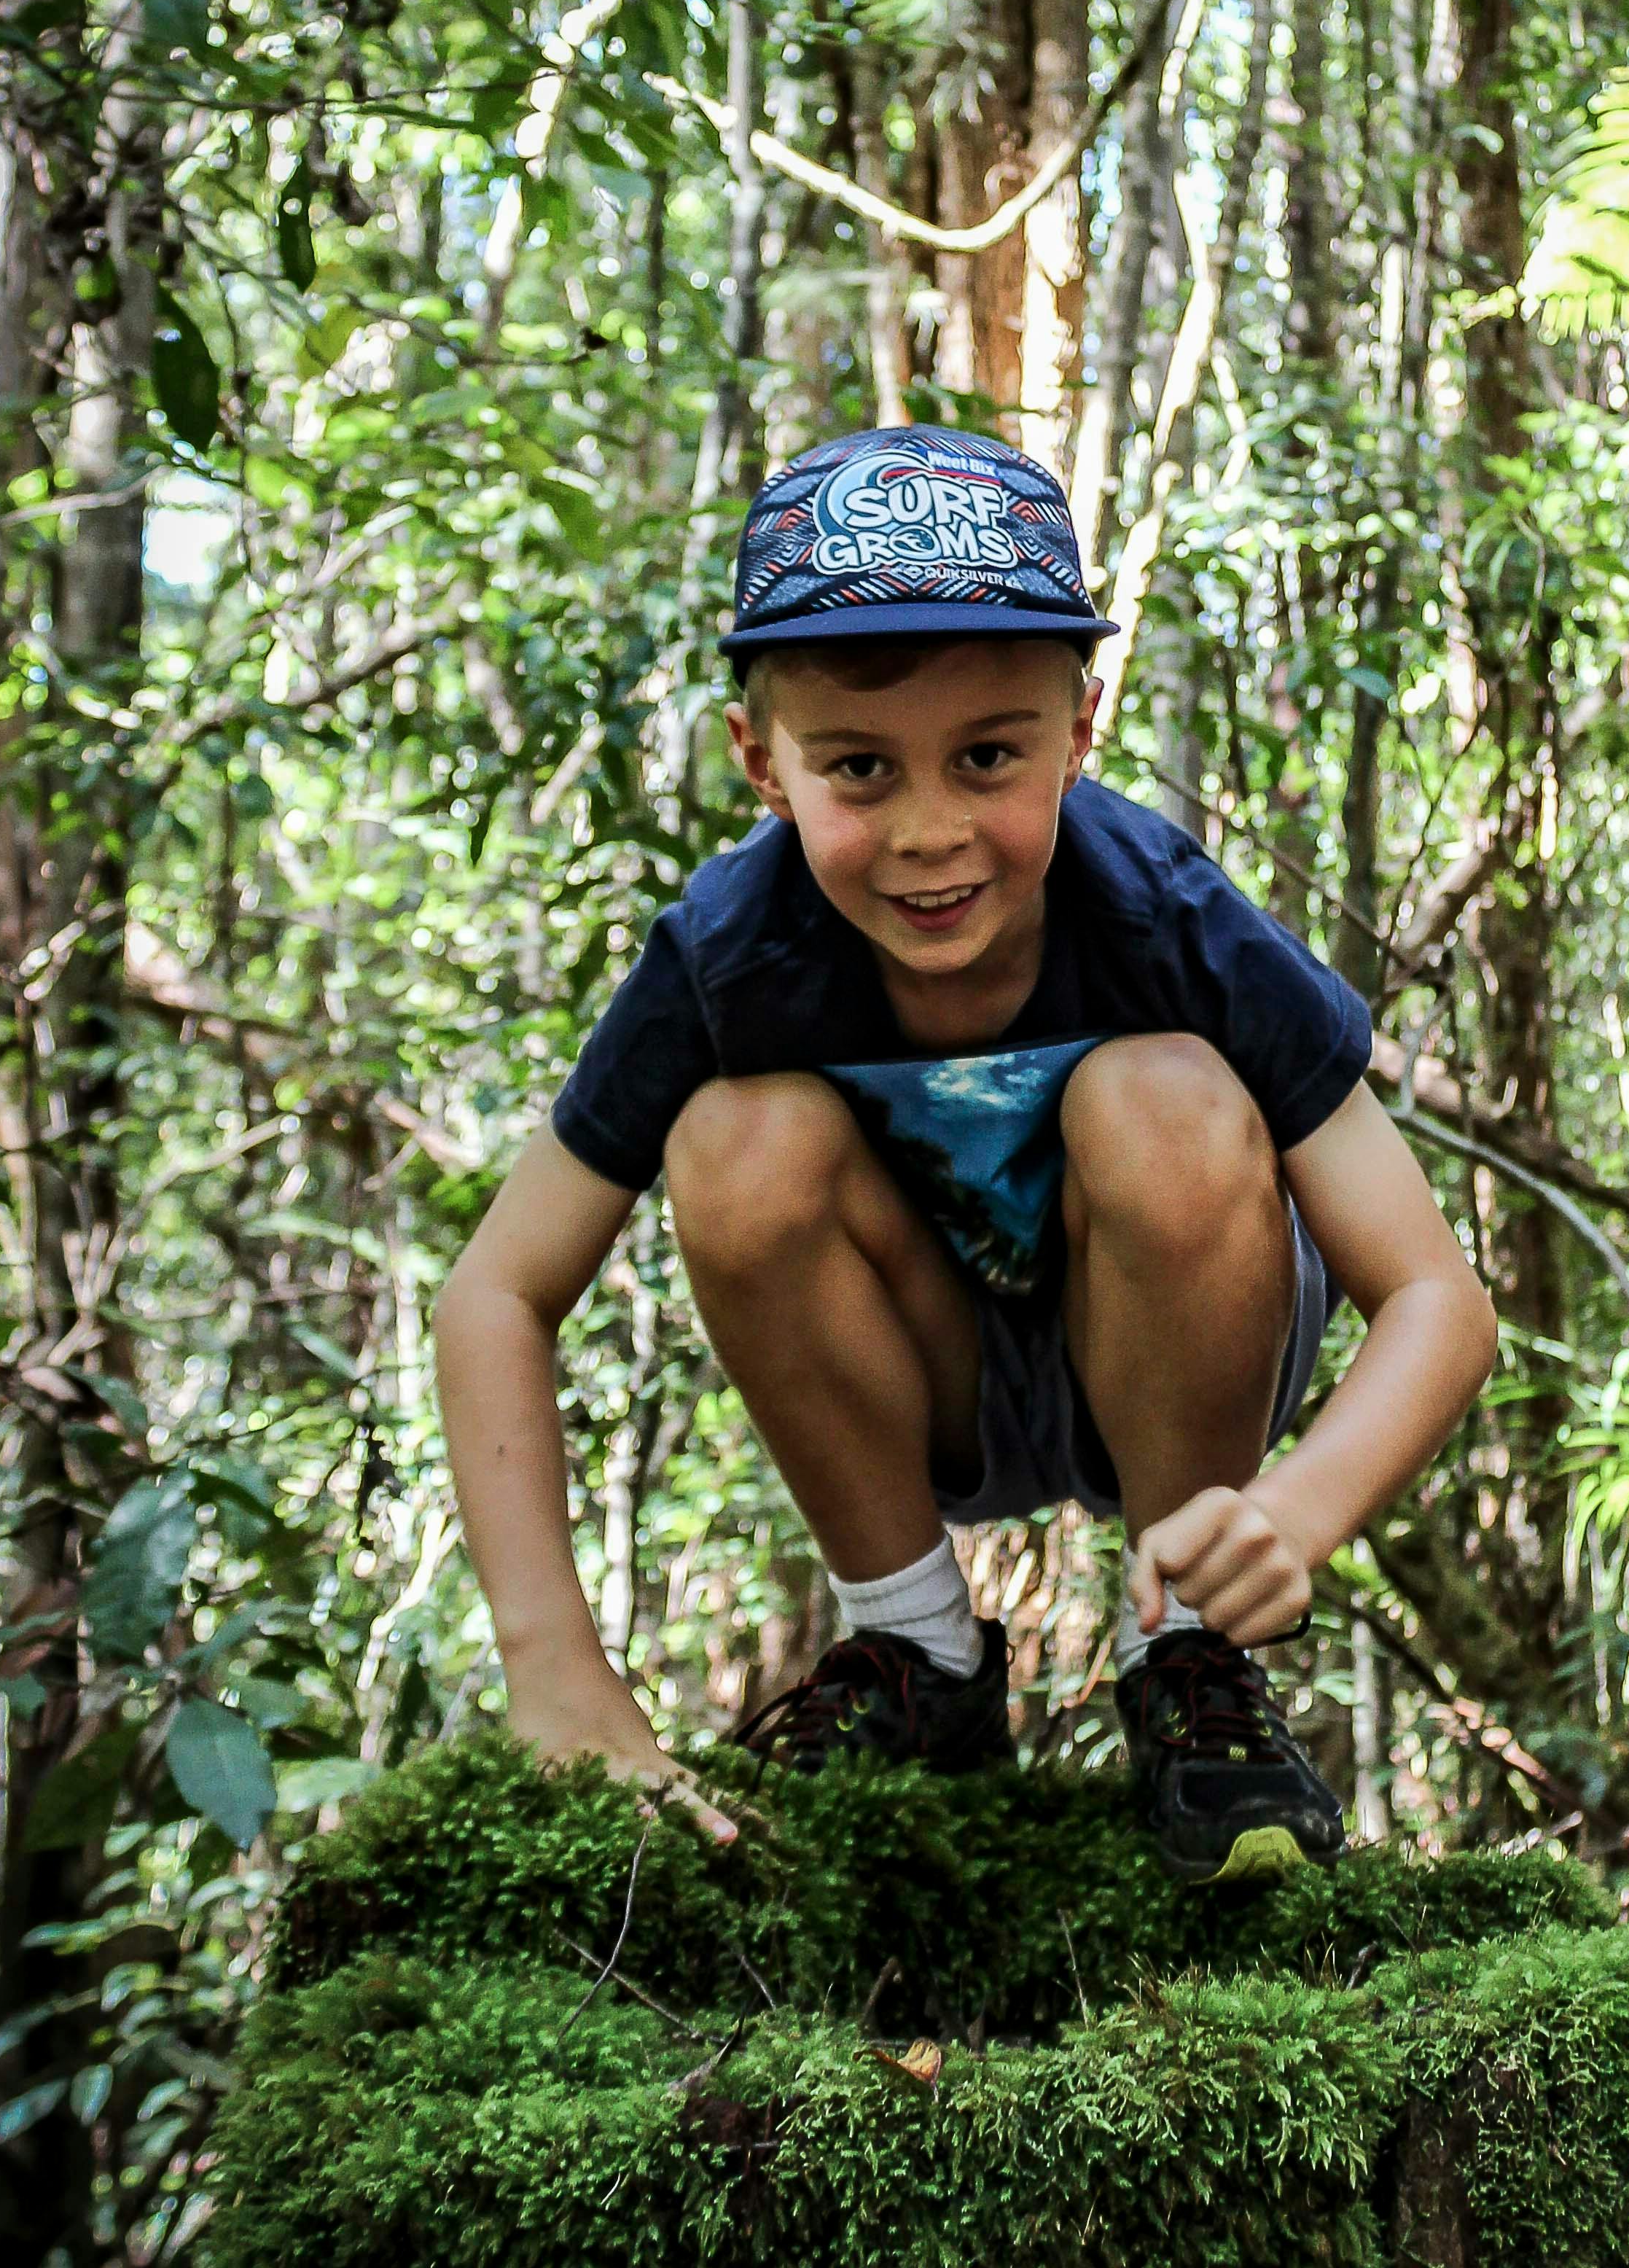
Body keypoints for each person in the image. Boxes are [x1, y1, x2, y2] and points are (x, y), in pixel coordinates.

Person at [434, 424, 1497, 1883]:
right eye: (860, 769)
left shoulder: (1167, 918)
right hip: (921, 1370)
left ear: (1083, 730)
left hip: (1174, 1348)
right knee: (733, 1134)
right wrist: (554, 1666)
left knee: (1169, 1096)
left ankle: (1190, 1667)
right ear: (763, 761)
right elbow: (495, 1291)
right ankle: (920, 1655)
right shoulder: (729, 956)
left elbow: (1439, 1295)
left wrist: (1288, 1517)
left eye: (988, 755)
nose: (932, 832)